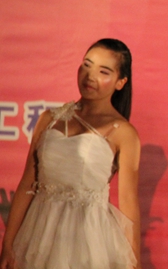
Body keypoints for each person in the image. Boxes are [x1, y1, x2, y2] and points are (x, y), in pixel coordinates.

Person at [0, 39, 141, 269]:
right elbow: (27, 183)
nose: (90, 76)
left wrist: (135, 262)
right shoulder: (49, 119)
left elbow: (128, 203)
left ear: (120, 82)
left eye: (103, 71)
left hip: (88, 239)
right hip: (39, 234)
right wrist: (8, 244)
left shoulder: (124, 133)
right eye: (87, 65)